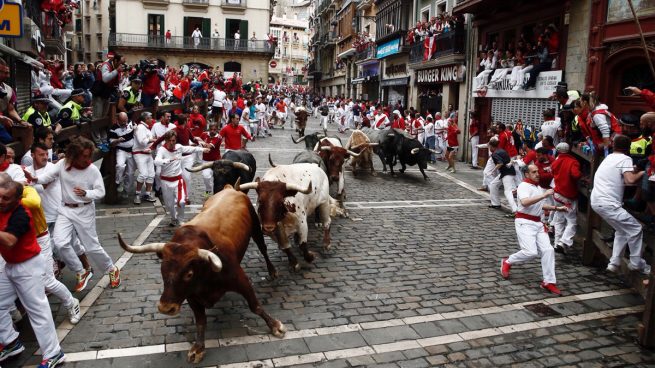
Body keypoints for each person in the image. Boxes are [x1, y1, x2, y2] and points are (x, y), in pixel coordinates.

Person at [0, 179, 67, 367]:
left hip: (28, 266)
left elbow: (10, 240)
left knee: (37, 309)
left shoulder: (21, 213)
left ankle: (54, 353)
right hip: (11, 264)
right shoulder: (3, 208)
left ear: (17, 199)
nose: (1, 201)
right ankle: (11, 342)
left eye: (6, 198)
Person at [500, 164, 567, 295]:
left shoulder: (537, 187)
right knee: (530, 252)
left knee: (548, 250)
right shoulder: (524, 186)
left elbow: (540, 205)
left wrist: (557, 208)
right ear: (526, 174)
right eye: (534, 172)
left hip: (538, 223)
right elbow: (525, 202)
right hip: (524, 222)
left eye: (538, 171)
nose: (538, 174)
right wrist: (544, 195)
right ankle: (508, 261)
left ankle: (549, 281)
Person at [590, 135, 651, 274]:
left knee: (622, 230)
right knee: (635, 229)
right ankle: (636, 263)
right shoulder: (625, 159)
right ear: (628, 148)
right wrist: (643, 172)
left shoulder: (609, 158)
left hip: (596, 200)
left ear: (613, 145)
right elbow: (630, 180)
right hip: (609, 203)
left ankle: (614, 263)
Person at [155, 130, 208, 226]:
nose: (172, 143)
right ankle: (173, 218)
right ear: (166, 140)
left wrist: (202, 150)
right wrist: (168, 160)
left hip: (178, 180)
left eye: (174, 140)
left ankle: (180, 219)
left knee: (182, 201)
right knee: (169, 205)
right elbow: (157, 161)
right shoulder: (162, 150)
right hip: (165, 181)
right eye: (170, 140)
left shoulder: (179, 147)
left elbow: (190, 149)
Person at [551, 142, 581, 254]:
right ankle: (564, 242)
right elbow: (576, 175)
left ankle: (556, 243)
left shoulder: (556, 161)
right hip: (568, 195)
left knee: (559, 219)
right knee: (572, 220)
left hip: (557, 194)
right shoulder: (573, 161)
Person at [488, 138, 518, 216]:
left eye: (489, 147)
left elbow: (500, 163)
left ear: (491, 146)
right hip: (506, 172)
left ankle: (515, 210)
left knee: (508, 192)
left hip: (507, 173)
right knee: (493, 184)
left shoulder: (495, 154)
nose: (489, 148)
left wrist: (493, 170)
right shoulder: (501, 150)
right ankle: (495, 204)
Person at [132, 112, 157, 204]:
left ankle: (147, 194)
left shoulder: (147, 128)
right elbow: (142, 142)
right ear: (146, 119)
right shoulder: (140, 128)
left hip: (148, 153)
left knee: (151, 174)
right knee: (143, 174)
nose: (152, 120)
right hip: (139, 153)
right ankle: (137, 194)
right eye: (150, 118)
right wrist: (153, 140)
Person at [0, 58, 31, 128]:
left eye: (8, 73)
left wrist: (21, 121)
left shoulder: (9, 90)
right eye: (5, 73)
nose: (8, 76)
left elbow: (11, 110)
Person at [109, 112, 135, 194]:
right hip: (121, 150)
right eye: (122, 121)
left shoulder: (130, 123)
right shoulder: (113, 129)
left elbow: (136, 127)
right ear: (118, 120)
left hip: (131, 151)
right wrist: (117, 140)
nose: (124, 123)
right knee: (120, 166)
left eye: (125, 120)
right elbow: (111, 143)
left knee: (130, 173)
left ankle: (126, 190)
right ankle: (119, 182)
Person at [199, 123, 222, 196]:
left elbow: (209, 147)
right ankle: (208, 190)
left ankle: (217, 193)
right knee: (206, 177)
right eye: (211, 129)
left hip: (216, 161)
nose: (213, 131)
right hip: (206, 161)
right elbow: (198, 140)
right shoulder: (204, 134)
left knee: (218, 178)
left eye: (215, 130)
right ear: (209, 129)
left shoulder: (218, 137)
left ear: (217, 130)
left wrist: (201, 142)